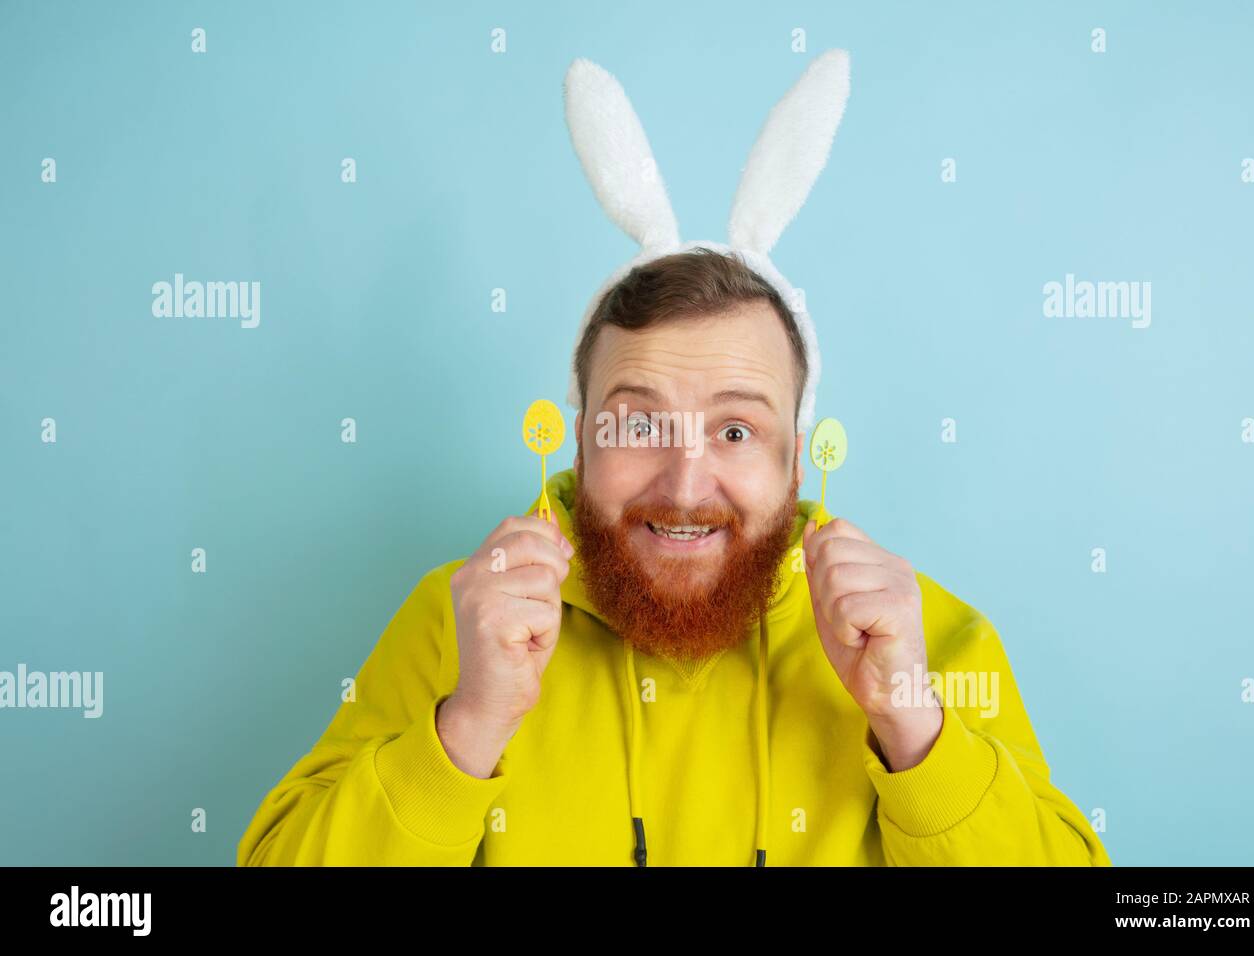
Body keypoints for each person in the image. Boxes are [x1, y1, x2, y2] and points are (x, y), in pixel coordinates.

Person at [236, 248, 1112, 866]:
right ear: (581, 443)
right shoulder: (460, 618)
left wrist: (914, 726)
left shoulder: (930, 643)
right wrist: (465, 730)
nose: (687, 483)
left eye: (736, 429)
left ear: (795, 461)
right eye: (638, 423)